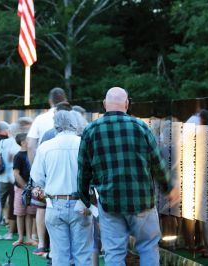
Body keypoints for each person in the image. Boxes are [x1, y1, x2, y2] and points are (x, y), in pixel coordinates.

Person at [77, 87, 179, 266]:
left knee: (114, 252)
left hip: (110, 202)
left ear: (104, 105)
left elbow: (83, 170)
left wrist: (84, 198)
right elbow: (157, 163)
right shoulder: (141, 127)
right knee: (148, 246)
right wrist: (169, 188)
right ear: (127, 104)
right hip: (142, 202)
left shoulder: (90, 131)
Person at [31, 110, 93, 265]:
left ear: (55, 125)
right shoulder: (84, 144)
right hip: (81, 202)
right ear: (74, 124)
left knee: (59, 255)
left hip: (54, 203)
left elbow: (38, 178)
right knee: (83, 254)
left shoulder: (45, 147)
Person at [27, 87, 67, 255]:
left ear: (50, 101)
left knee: (42, 206)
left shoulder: (41, 118)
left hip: (46, 167)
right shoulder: (77, 117)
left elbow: (30, 145)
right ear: (65, 99)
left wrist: (35, 168)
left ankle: (43, 243)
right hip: (68, 169)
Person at [12, 132, 37, 247]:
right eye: (28, 140)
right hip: (21, 189)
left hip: (32, 189)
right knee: (20, 213)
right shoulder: (18, 156)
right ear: (23, 142)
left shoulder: (33, 154)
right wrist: (25, 187)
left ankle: (29, 237)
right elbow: (16, 173)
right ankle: (21, 237)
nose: (31, 142)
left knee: (30, 213)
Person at [0, 122, 21, 240]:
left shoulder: (2, 143)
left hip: (2, 176)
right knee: (13, 203)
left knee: (1, 202)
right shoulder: (20, 143)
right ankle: (13, 228)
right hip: (16, 177)